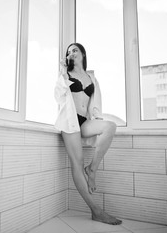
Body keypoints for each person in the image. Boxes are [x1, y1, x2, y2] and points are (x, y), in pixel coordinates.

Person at [54, 43, 122, 225]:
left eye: (75, 50)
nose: (71, 53)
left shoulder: (91, 76)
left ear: (83, 53)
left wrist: (97, 118)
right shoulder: (65, 75)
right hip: (69, 121)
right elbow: (58, 96)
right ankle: (96, 211)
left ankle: (92, 169)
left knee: (110, 127)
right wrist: (62, 72)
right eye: (69, 52)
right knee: (77, 163)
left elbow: (96, 102)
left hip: (85, 121)